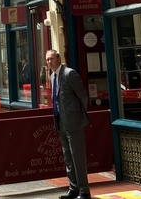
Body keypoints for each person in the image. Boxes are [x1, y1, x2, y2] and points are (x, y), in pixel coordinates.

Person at [45, 49, 91, 199]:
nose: (49, 62)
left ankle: (84, 191)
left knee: (77, 157)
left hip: (74, 122)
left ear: (58, 59)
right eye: (47, 59)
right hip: (60, 122)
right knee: (68, 158)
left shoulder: (69, 74)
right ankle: (74, 188)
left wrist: (77, 116)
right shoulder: (52, 76)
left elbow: (83, 96)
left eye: (51, 59)